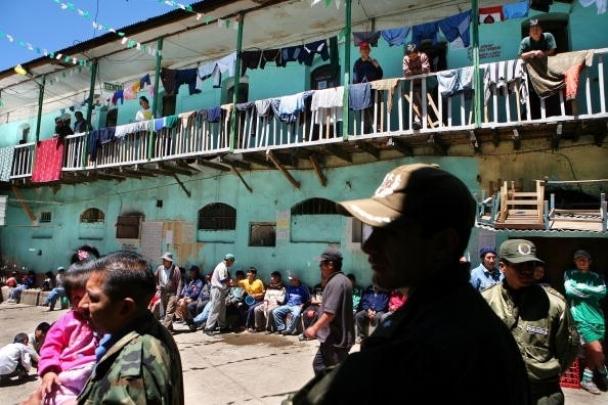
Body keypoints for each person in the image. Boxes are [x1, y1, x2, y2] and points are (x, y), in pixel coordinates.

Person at [289, 163, 530, 404]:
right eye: (372, 230)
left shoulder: (424, 346)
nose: (368, 246)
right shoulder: (456, 317)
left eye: (390, 232)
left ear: (442, 245)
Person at [75, 251, 183, 404]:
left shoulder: (130, 376)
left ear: (125, 308)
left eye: (93, 298)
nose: (81, 305)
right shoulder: (154, 331)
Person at [483, 239, 580, 404]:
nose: (527, 271)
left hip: (543, 393)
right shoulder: (485, 301)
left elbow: (568, 349)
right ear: (502, 267)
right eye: (519, 266)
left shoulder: (554, 304)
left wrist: (542, 373)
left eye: (531, 265)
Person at [36, 265, 98, 404]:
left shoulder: (104, 319)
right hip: (67, 374)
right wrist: (49, 370)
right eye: (76, 297)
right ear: (70, 300)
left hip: (95, 371)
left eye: (89, 296)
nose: (83, 303)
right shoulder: (66, 321)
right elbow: (50, 347)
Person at [304, 248, 354, 375]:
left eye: (322, 264)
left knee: (334, 372)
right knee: (320, 366)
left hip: (336, 340)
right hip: (331, 338)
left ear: (330, 264)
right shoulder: (340, 280)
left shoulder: (336, 283)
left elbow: (329, 313)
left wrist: (314, 329)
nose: (320, 267)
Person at [564, 250, 607, 395]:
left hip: (598, 318)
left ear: (590, 261)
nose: (581, 261)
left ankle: (587, 380)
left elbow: (603, 292)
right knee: (597, 350)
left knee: (591, 352)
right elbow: (569, 291)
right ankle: (604, 371)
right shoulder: (569, 273)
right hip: (580, 318)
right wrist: (591, 292)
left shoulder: (596, 276)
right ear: (574, 261)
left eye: (585, 259)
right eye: (578, 259)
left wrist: (581, 288)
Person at [205, 254, 235, 335]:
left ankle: (222, 326)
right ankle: (208, 328)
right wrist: (231, 283)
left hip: (220, 290)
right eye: (232, 262)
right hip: (217, 290)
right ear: (229, 260)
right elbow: (223, 280)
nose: (232, 264)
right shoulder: (223, 267)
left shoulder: (221, 265)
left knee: (222, 309)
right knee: (215, 309)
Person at [402, 43, 431, 130]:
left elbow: (426, 70)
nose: (412, 57)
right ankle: (417, 120)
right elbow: (406, 73)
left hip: (425, 84)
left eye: (413, 55)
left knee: (425, 102)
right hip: (412, 85)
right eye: (410, 56)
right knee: (415, 102)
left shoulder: (423, 56)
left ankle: (423, 121)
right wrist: (418, 71)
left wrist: (412, 72)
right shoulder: (406, 58)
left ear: (417, 53)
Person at [154, 252, 182, 332]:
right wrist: (157, 286)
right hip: (163, 293)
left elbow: (179, 282)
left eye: (165, 260)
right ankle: (170, 328)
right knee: (167, 310)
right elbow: (155, 277)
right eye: (163, 259)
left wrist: (177, 295)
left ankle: (164, 330)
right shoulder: (160, 268)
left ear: (169, 261)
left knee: (169, 312)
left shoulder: (176, 269)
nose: (163, 261)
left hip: (172, 293)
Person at [240, 267, 266, 332]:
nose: (247, 274)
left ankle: (249, 326)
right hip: (249, 301)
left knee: (251, 309)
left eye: (249, 273)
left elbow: (263, 293)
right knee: (240, 306)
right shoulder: (246, 282)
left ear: (254, 275)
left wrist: (255, 295)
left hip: (259, 300)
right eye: (247, 273)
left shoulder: (258, 282)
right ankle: (241, 323)